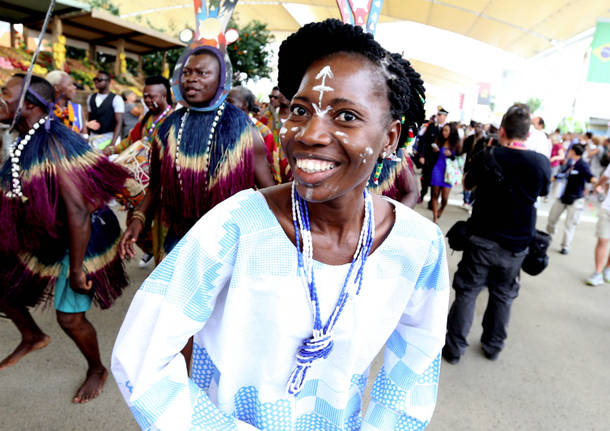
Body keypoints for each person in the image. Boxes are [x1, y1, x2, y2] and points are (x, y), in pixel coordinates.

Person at [112, 19, 449, 430]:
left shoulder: (418, 246)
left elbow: (414, 368)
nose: (309, 134)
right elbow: (141, 357)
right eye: (300, 110)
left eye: (345, 115)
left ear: (390, 138)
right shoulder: (237, 226)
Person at [0, 74, 129, 403]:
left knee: (70, 317)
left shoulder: (54, 144)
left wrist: (75, 269)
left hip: (82, 237)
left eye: (5, 93)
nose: (0, 98)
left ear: (27, 104)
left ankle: (97, 368)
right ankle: (32, 335)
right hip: (49, 233)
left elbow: (79, 212)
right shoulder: (26, 138)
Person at [119, 46, 275, 266]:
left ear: (221, 79)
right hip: (178, 239)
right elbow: (155, 187)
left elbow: (269, 192)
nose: (191, 79)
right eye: (187, 72)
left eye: (202, 73)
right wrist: (138, 221)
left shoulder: (245, 131)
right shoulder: (167, 129)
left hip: (228, 245)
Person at [443, 103, 551, 364]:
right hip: (517, 244)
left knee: (468, 291)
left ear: (502, 131)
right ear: (528, 134)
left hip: (482, 238)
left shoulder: (488, 156)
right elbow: (543, 192)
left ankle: (454, 349)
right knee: (503, 295)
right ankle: (493, 346)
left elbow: (468, 184)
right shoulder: (540, 163)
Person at [111, 76, 175, 267]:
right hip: (142, 185)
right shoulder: (145, 118)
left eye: (151, 96)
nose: (147, 100)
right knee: (135, 223)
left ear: (164, 96)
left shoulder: (173, 120)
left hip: (162, 186)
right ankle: (151, 251)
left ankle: (162, 260)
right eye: (144, 96)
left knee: (160, 228)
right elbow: (130, 141)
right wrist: (111, 150)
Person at [228, 86, 291, 184]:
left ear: (245, 104)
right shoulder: (221, 128)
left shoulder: (262, 132)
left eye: (230, 101)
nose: (224, 105)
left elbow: (270, 170)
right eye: (271, 97)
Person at [546, 143, 596, 255]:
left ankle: (565, 246)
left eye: (569, 150)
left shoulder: (583, 165)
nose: (567, 152)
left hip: (576, 199)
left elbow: (590, 176)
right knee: (552, 218)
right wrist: (551, 178)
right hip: (563, 196)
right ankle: (549, 237)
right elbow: (563, 174)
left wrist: (596, 183)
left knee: (570, 224)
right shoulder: (570, 163)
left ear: (573, 152)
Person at [429, 123, 460, 222]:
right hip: (438, 168)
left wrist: (451, 155)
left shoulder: (456, 143)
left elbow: (459, 158)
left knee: (445, 198)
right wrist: (434, 151)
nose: (444, 133)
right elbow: (432, 155)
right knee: (435, 194)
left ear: (452, 131)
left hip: (449, 171)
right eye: (443, 130)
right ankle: (435, 218)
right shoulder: (439, 140)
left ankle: (441, 209)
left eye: (446, 130)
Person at [87, 70, 124, 151]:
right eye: (95, 79)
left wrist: (112, 143)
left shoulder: (116, 99)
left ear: (108, 82)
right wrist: (88, 136)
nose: (96, 82)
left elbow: (119, 122)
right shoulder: (91, 97)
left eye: (99, 80)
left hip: (109, 137)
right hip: (94, 137)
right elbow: (89, 118)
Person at [418, 106, 448, 203]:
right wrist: (421, 155)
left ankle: (432, 200)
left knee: (436, 180)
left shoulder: (447, 129)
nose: (439, 117)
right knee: (426, 178)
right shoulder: (431, 127)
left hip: (440, 160)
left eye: (441, 115)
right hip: (429, 158)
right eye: (438, 115)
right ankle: (422, 194)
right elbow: (423, 141)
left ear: (445, 117)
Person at [586, 165, 610, 285]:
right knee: (602, 240)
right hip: (607, 208)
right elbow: (605, 178)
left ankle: (608, 268)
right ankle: (598, 273)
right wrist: (597, 187)